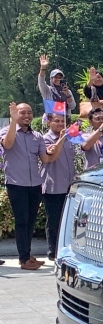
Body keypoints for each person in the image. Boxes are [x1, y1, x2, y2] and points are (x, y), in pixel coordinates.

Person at [1, 102, 67, 270]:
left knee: (30, 221)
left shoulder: (37, 136)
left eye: (29, 113)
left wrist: (60, 141)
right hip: (17, 184)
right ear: (15, 114)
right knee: (22, 221)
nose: (27, 116)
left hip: (35, 185)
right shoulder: (7, 131)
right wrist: (13, 122)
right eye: (23, 113)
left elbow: (46, 159)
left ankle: (28, 255)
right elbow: (7, 145)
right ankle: (23, 259)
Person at [39, 113, 76, 260]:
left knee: (68, 220)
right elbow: (50, 154)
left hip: (69, 185)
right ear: (49, 123)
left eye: (63, 121)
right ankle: (53, 251)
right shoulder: (45, 139)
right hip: (53, 185)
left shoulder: (69, 139)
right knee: (54, 220)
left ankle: (66, 248)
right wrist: (61, 138)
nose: (61, 124)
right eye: (57, 121)